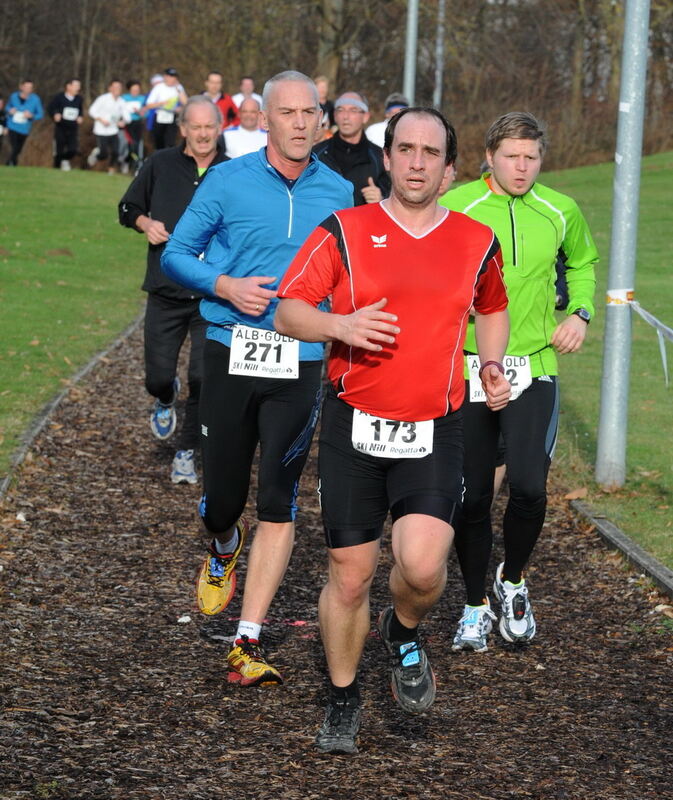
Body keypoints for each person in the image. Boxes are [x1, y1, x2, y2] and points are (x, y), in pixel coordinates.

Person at [274, 107, 511, 754]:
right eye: (403, 149)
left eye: (428, 153)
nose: (414, 162)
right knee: (349, 575)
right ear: (385, 157)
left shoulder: (473, 240)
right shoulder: (344, 230)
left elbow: (492, 307)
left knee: (423, 565)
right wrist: (339, 327)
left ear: (450, 167)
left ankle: (403, 630)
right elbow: (288, 310)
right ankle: (344, 695)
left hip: (433, 426)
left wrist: (489, 362)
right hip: (354, 424)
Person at [161, 71, 353, 686]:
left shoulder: (341, 190)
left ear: (321, 119)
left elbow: (355, 274)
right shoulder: (226, 180)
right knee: (223, 500)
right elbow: (175, 254)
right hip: (228, 351)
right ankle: (222, 545)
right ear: (263, 119)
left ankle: (247, 639)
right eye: (287, 113)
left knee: (279, 493)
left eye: (309, 113)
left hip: (300, 360)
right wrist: (224, 285)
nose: (300, 123)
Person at [439, 111, 598, 652]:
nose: (522, 167)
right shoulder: (458, 206)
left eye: (531, 157)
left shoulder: (561, 209)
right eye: (512, 156)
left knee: (530, 486)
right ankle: (474, 605)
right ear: (489, 157)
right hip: (466, 368)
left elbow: (582, 264)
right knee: (474, 496)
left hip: (534, 367)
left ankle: (512, 582)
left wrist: (579, 312)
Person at [119, 96, 227, 484]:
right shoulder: (160, 164)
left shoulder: (232, 172)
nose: (202, 134)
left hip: (210, 296)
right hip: (165, 290)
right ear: (183, 128)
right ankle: (166, 397)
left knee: (203, 378)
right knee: (157, 376)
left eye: (209, 126)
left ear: (220, 128)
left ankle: (185, 452)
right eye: (195, 126)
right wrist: (145, 223)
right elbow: (127, 208)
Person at [313, 91, 391, 206]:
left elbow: (394, 198)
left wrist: (382, 199)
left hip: (363, 223)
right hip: (325, 223)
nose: (346, 116)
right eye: (340, 110)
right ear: (335, 116)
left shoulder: (379, 157)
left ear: (365, 117)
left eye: (353, 110)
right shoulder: (316, 155)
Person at [87, 79, 130, 174]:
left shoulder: (122, 101)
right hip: (101, 130)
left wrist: (123, 122)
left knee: (116, 151)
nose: (117, 89)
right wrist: (101, 120)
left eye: (119, 87)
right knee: (104, 153)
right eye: (115, 87)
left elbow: (127, 116)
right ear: (110, 88)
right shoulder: (102, 99)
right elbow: (92, 111)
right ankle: (96, 155)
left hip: (114, 130)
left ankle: (111, 170)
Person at [143, 68, 188, 150]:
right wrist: (162, 103)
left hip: (172, 116)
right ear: (165, 77)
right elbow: (149, 104)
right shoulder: (158, 87)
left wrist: (179, 107)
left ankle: (169, 159)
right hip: (160, 116)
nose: (172, 79)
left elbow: (186, 103)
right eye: (170, 76)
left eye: (174, 77)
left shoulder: (179, 87)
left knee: (171, 142)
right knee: (159, 140)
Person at [47, 78, 84, 170]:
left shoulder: (79, 99)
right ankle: (56, 169)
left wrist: (80, 117)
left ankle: (64, 159)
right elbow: (50, 108)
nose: (78, 88)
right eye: (76, 86)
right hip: (61, 128)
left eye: (79, 86)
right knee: (59, 150)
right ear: (68, 86)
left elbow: (80, 111)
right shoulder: (59, 97)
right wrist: (55, 115)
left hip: (73, 128)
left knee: (73, 150)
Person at [5, 79, 43, 166]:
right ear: (21, 87)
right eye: (26, 87)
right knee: (14, 146)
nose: (28, 89)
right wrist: (10, 110)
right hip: (12, 126)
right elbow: (7, 107)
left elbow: (40, 114)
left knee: (18, 149)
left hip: (24, 128)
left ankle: (12, 163)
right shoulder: (13, 96)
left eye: (30, 87)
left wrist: (31, 115)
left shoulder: (35, 99)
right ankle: (10, 164)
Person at [122, 80, 146, 171]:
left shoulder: (143, 99)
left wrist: (140, 112)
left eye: (137, 90)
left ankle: (133, 165)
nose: (135, 92)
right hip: (127, 124)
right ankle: (127, 161)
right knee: (130, 144)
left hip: (138, 124)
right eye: (133, 90)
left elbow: (146, 113)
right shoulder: (124, 98)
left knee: (136, 145)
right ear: (129, 90)